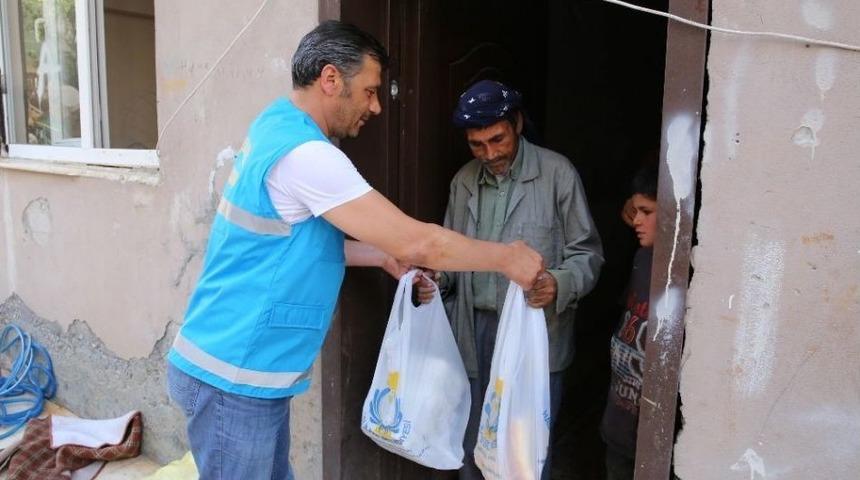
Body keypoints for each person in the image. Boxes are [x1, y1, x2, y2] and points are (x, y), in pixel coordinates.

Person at [165, 22, 545, 480]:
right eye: (369, 91)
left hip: (245, 370)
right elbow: (419, 241)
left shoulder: (275, 124)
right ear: (330, 79)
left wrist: (382, 257)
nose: (377, 106)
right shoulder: (307, 156)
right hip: (234, 372)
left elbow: (297, 241)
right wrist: (506, 258)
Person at [421, 79, 604, 480]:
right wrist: (432, 282)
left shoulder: (557, 174)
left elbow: (587, 254)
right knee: (473, 444)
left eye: (497, 139)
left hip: (534, 337)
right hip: (474, 331)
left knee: (524, 452)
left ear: (517, 123)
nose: (490, 153)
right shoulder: (464, 182)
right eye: (477, 144)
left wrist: (558, 282)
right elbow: (451, 263)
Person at [600, 165, 658, 480]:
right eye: (635, 210)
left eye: (646, 211)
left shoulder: (685, 273)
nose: (636, 220)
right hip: (619, 423)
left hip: (648, 435)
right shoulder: (642, 257)